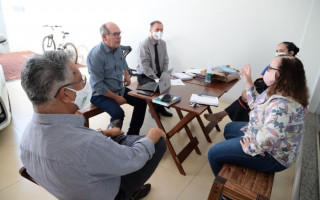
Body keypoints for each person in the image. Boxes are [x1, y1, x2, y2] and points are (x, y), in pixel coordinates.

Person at [20, 51, 167, 200]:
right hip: (109, 193)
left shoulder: (25, 139)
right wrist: (152, 135)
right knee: (157, 143)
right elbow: (132, 159)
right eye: (81, 81)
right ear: (65, 95)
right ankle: (130, 193)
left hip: (72, 188)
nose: (86, 85)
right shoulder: (87, 143)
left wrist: (102, 134)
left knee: (115, 134)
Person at [207, 55, 309, 177]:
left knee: (213, 153)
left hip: (273, 156)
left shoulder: (282, 105)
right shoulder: (281, 89)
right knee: (229, 128)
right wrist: (248, 81)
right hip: (262, 134)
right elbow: (256, 105)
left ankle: (223, 189)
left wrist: (251, 149)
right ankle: (235, 157)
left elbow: (269, 137)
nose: (266, 70)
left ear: (281, 75)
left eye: (270, 68)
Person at [204, 42, 300, 125]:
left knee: (245, 100)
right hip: (263, 91)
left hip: (272, 96)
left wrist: (252, 92)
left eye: (281, 50)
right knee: (244, 96)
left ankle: (224, 117)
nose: (278, 53)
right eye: (277, 50)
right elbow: (259, 79)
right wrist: (248, 88)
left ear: (291, 53)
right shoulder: (274, 63)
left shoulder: (293, 70)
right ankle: (227, 118)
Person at [87, 22, 147, 135]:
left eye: (119, 33)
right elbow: (98, 86)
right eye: (115, 34)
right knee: (118, 113)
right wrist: (116, 98)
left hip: (119, 89)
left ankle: (132, 135)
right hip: (100, 95)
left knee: (141, 101)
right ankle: (113, 144)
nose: (119, 37)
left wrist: (126, 74)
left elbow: (122, 60)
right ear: (104, 37)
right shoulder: (96, 55)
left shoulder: (117, 48)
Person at [136, 20, 172, 117]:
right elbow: (145, 66)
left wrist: (164, 75)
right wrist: (155, 78)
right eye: (157, 29)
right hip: (145, 74)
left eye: (161, 30)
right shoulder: (144, 44)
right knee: (157, 86)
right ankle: (154, 110)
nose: (159, 32)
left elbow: (166, 60)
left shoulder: (163, 43)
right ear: (151, 30)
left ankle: (161, 108)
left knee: (167, 84)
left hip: (158, 73)